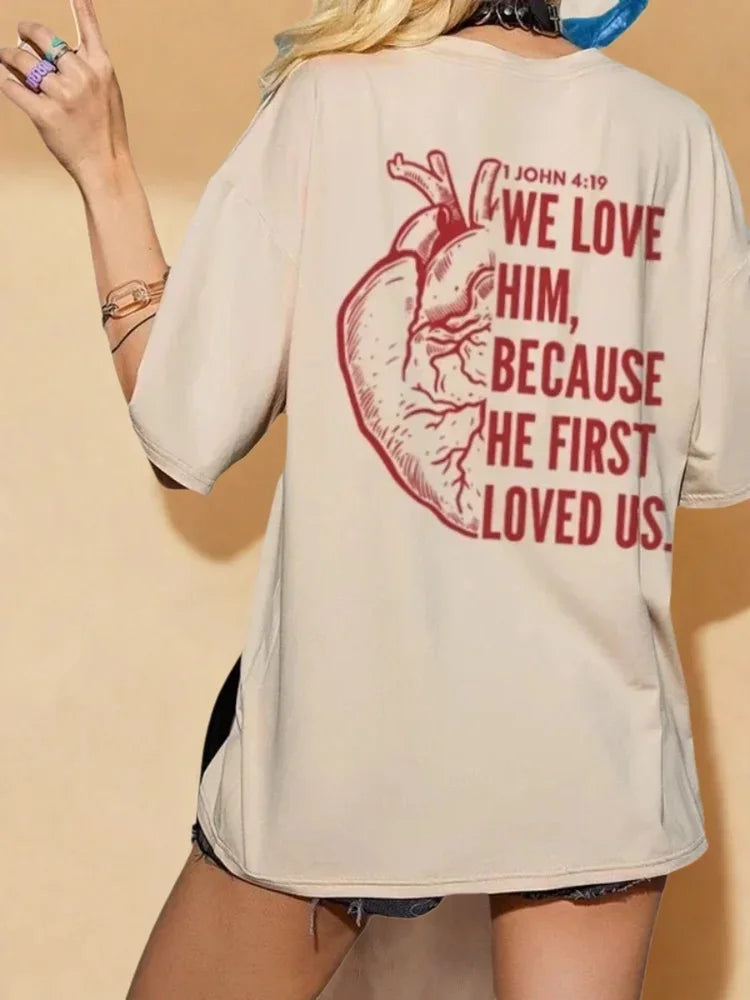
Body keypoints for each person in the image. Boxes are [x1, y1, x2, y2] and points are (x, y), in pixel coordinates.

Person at [2, 0, 749, 997]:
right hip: (593, 751)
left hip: (349, 744)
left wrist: (102, 163)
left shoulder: (329, 103)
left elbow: (184, 434)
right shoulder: (675, 137)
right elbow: (714, 452)